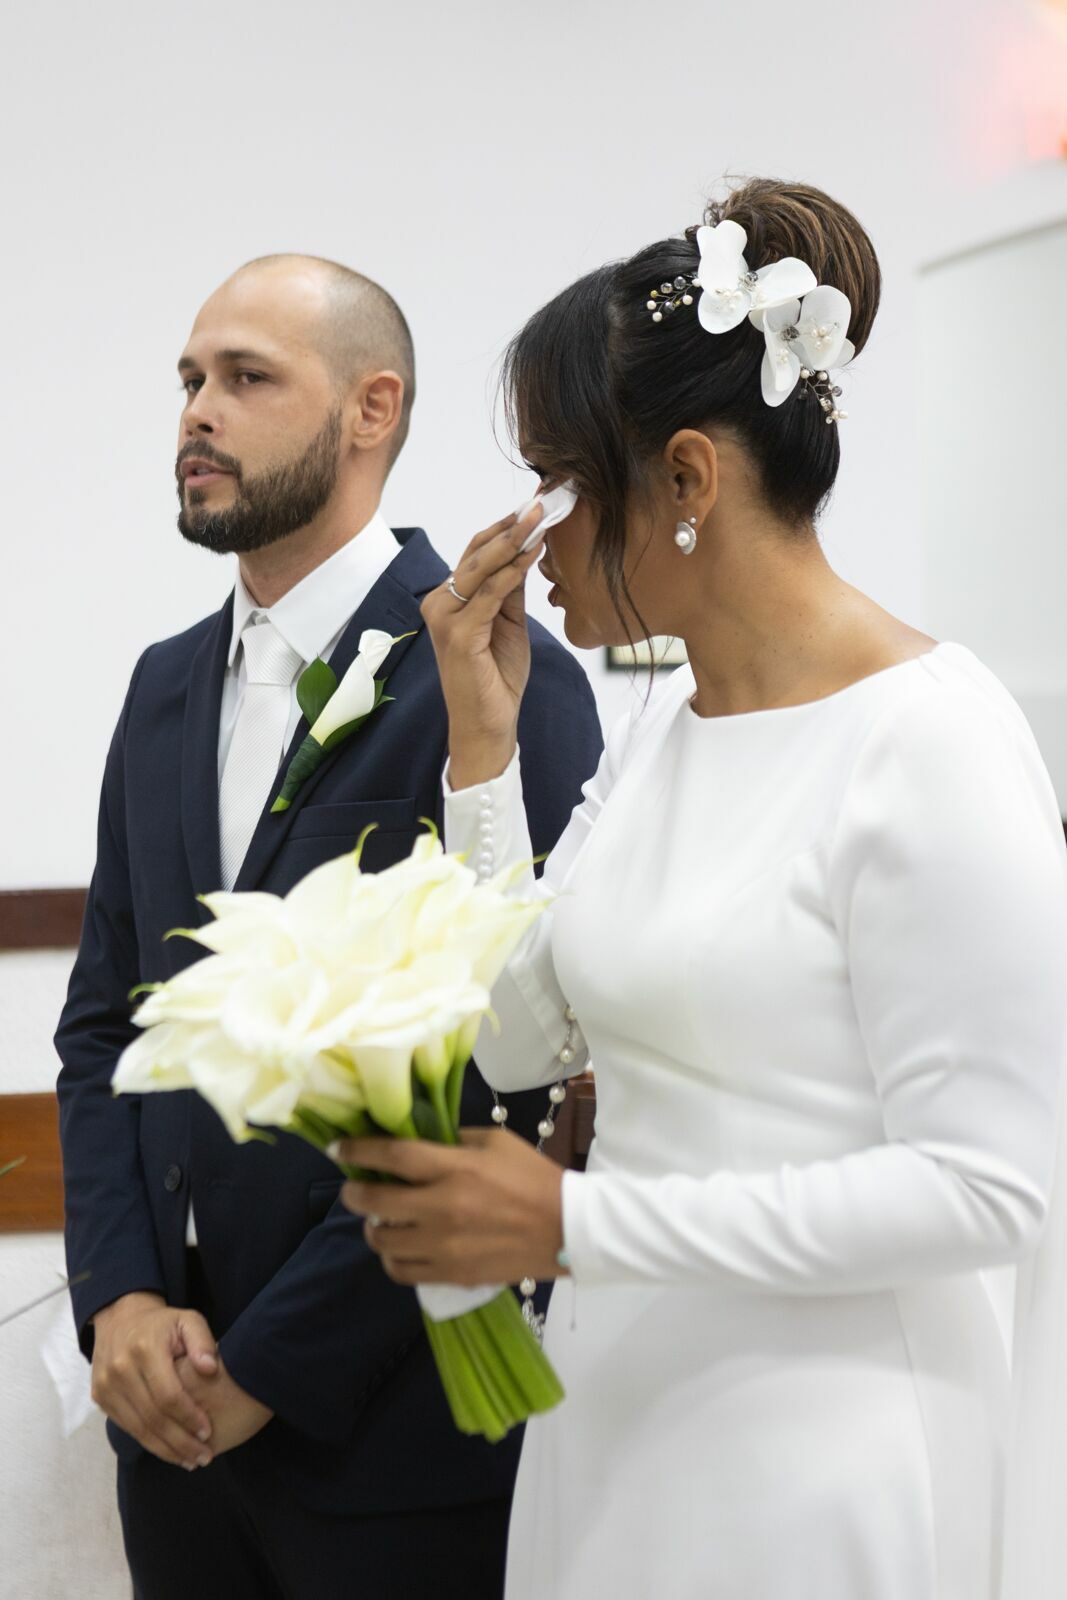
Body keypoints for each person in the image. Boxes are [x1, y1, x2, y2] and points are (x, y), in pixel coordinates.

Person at [338, 180, 1067, 1599]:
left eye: (556, 482)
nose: (530, 536)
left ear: (685, 480)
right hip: (619, 1403)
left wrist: (576, 1225)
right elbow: (512, 1041)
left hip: (822, 1449)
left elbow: (993, 1188)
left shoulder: (935, 738)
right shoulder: (667, 724)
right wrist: (480, 750)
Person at [55, 254, 603, 1600]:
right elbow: (106, 1018)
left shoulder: (490, 674)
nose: (198, 412)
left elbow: (501, 1074)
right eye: (190, 379)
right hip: (172, 1421)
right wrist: (121, 1300)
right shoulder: (165, 687)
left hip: (398, 1429)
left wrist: (271, 1368)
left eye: (246, 378)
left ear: (372, 409)